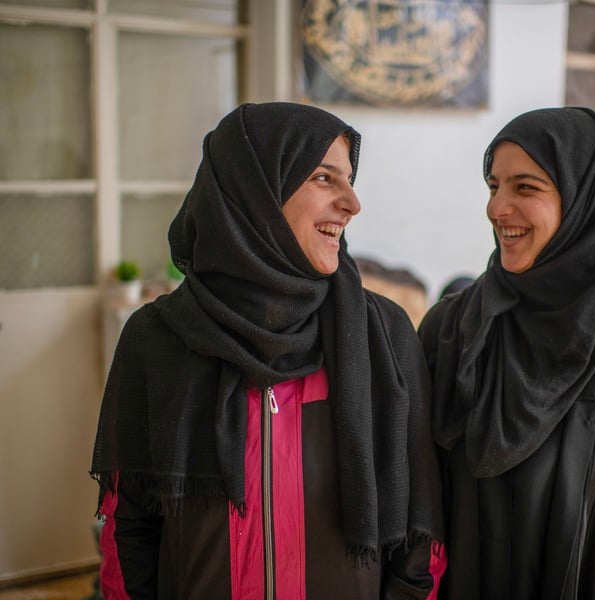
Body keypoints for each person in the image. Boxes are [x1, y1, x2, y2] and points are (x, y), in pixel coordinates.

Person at [90, 102, 445, 599]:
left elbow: (418, 529)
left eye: (349, 179)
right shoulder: (158, 340)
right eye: (325, 178)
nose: (352, 203)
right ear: (253, 191)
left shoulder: (380, 335)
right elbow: (129, 529)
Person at [418, 107, 595, 599]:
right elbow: (416, 504)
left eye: (524, 188)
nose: (496, 208)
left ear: (585, 204)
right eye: (493, 186)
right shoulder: (453, 330)